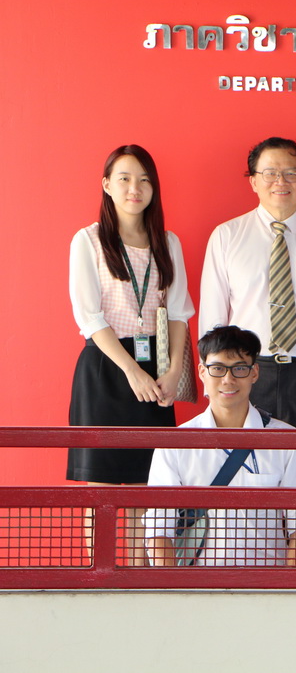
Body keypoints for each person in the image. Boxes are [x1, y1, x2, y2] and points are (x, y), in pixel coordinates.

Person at [68, 144, 195, 566]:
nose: (133, 188)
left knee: (147, 482)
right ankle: (99, 578)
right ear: (106, 185)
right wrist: (130, 371)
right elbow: (89, 317)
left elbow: (178, 312)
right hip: (107, 368)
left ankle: (138, 580)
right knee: (101, 486)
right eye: (123, 178)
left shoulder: (167, 242)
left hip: (156, 366)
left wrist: (172, 370)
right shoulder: (88, 240)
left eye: (143, 180)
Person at [144, 326, 296, 567]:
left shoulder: (285, 439)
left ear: (254, 373)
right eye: (217, 368)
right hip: (198, 583)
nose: (228, 379)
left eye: (239, 368)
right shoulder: (174, 444)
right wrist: (174, 586)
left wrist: (286, 584)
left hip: (267, 581)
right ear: (202, 372)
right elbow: (158, 528)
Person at [200, 137, 296, 429]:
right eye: (270, 173)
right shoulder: (227, 236)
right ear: (253, 181)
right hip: (246, 371)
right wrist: (214, 380)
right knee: (248, 454)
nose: (281, 181)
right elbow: (213, 316)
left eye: (291, 173)